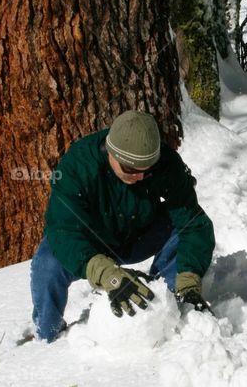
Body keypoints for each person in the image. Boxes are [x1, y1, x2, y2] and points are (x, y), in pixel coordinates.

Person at [30, 110, 216, 341]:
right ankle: (47, 336)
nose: (139, 177)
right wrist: (105, 273)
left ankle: (170, 300)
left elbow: (193, 223)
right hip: (93, 244)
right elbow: (63, 230)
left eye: (146, 170)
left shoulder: (167, 164)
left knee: (183, 226)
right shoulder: (77, 165)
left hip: (139, 236)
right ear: (110, 152)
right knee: (48, 261)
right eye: (130, 169)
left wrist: (189, 281)